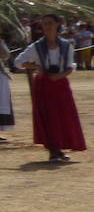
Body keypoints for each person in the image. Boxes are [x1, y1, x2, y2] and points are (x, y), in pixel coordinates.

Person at [16, 14, 86, 163]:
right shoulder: (37, 46)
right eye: (44, 24)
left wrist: (58, 76)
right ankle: (53, 149)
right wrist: (36, 67)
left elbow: (69, 66)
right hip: (44, 84)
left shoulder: (66, 45)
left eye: (50, 23)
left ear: (57, 24)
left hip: (60, 84)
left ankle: (60, 147)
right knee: (48, 117)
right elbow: (18, 61)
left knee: (63, 116)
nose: (47, 27)